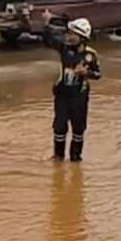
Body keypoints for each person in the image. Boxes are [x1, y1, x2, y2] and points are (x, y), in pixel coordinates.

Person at [42, 9, 101, 162]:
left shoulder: (91, 55)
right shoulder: (65, 49)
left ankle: (76, 160)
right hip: (62, 96)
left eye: (74, 35)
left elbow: (98, 74)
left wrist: (85, 73)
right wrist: (47, 22)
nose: (70, 37)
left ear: (83, 37)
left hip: (79, 99)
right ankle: (58, 158)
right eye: (69, 34)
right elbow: (49, 39)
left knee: (78, 130)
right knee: (59, 128)